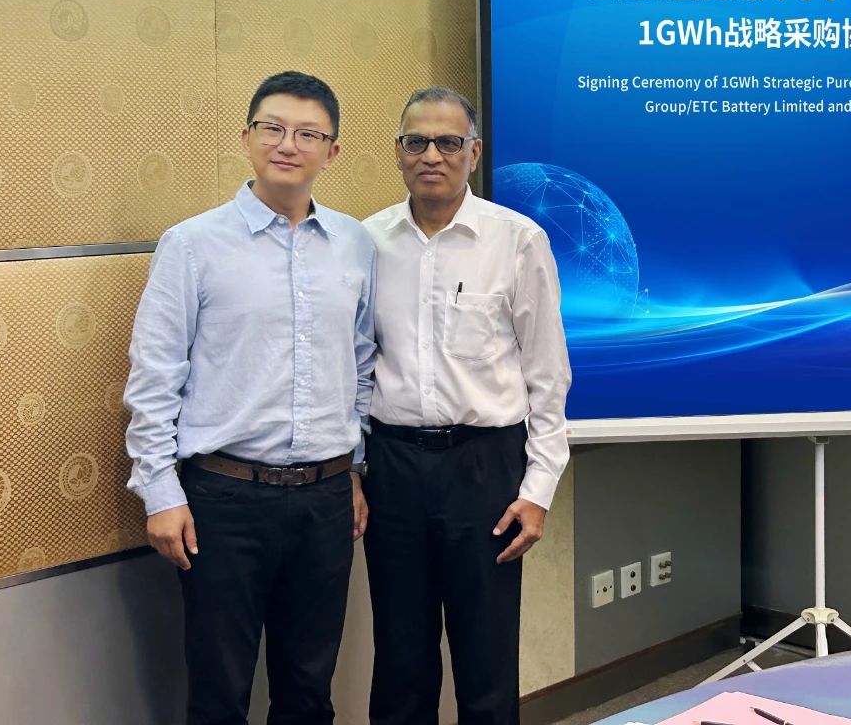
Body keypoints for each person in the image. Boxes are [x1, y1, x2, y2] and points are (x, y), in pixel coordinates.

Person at [124, 70, 376, 725]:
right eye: (273, 128)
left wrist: (354, 470)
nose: (288, 144)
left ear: (332, 151)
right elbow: (154, 375)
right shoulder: (192, 245)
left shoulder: (355, 245)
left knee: (309, 692)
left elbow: (361, 364)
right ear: (246, 137)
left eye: (308, 134)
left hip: (326, 500)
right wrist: (161, 492)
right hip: (224, 500)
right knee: (219, 692)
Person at [362, 86, 571, 725]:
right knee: (400, 659)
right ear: (398, 151)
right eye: (416, 142)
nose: (432, 155)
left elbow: (548, 374)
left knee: (486, 660)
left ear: (474, 153)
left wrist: (538, 490)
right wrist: (353, 470)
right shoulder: (366, 243)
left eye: (449, 142)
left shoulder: (518, 240)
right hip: (393, 467)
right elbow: (355, 367)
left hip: (484, 469)